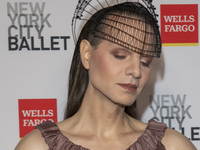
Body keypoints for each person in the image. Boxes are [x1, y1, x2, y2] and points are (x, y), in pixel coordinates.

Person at [15, 1, 197, 150]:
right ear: (87, 54)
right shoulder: (37, 146)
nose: (136, 71)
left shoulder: (172, 145)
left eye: (145, 62)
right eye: (120, 55)